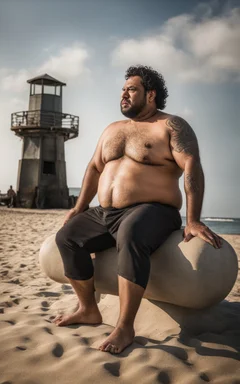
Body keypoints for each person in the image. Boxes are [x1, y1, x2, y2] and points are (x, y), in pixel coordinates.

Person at [54, 65, 222, 354]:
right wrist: (78, 208)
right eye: (123, 90)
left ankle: (124, 326)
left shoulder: (171, 126)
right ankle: (88, 309)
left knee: (130, 236)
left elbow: (191, 166)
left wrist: (193, 219)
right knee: (67, 237)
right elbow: (95, 169)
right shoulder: (113, 129)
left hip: (153, 210)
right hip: (105, 212)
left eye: (131, 89)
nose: (124, 95)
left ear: (151, 94)